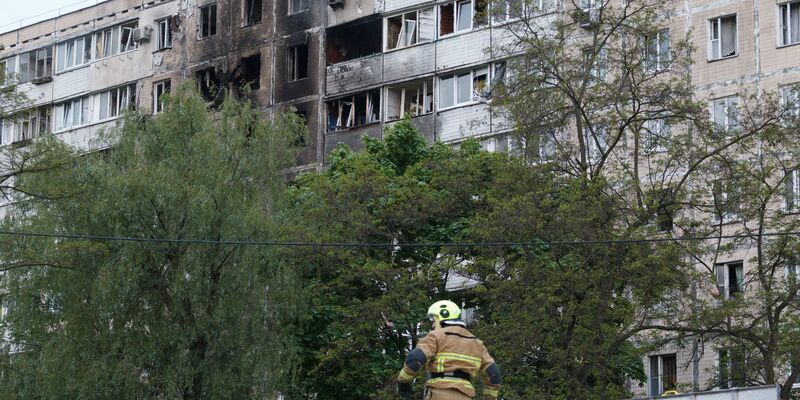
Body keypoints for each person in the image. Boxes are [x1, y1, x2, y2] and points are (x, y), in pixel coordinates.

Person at [397, 300, 501, 400]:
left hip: (440, 393)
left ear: (442, 317)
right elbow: (494, 373)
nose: (432, 325)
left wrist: (403, 382)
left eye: (433, 321)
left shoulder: (437, 336)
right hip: (466, 396)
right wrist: (490, 398)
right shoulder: (477, 343)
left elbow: (415, 358)